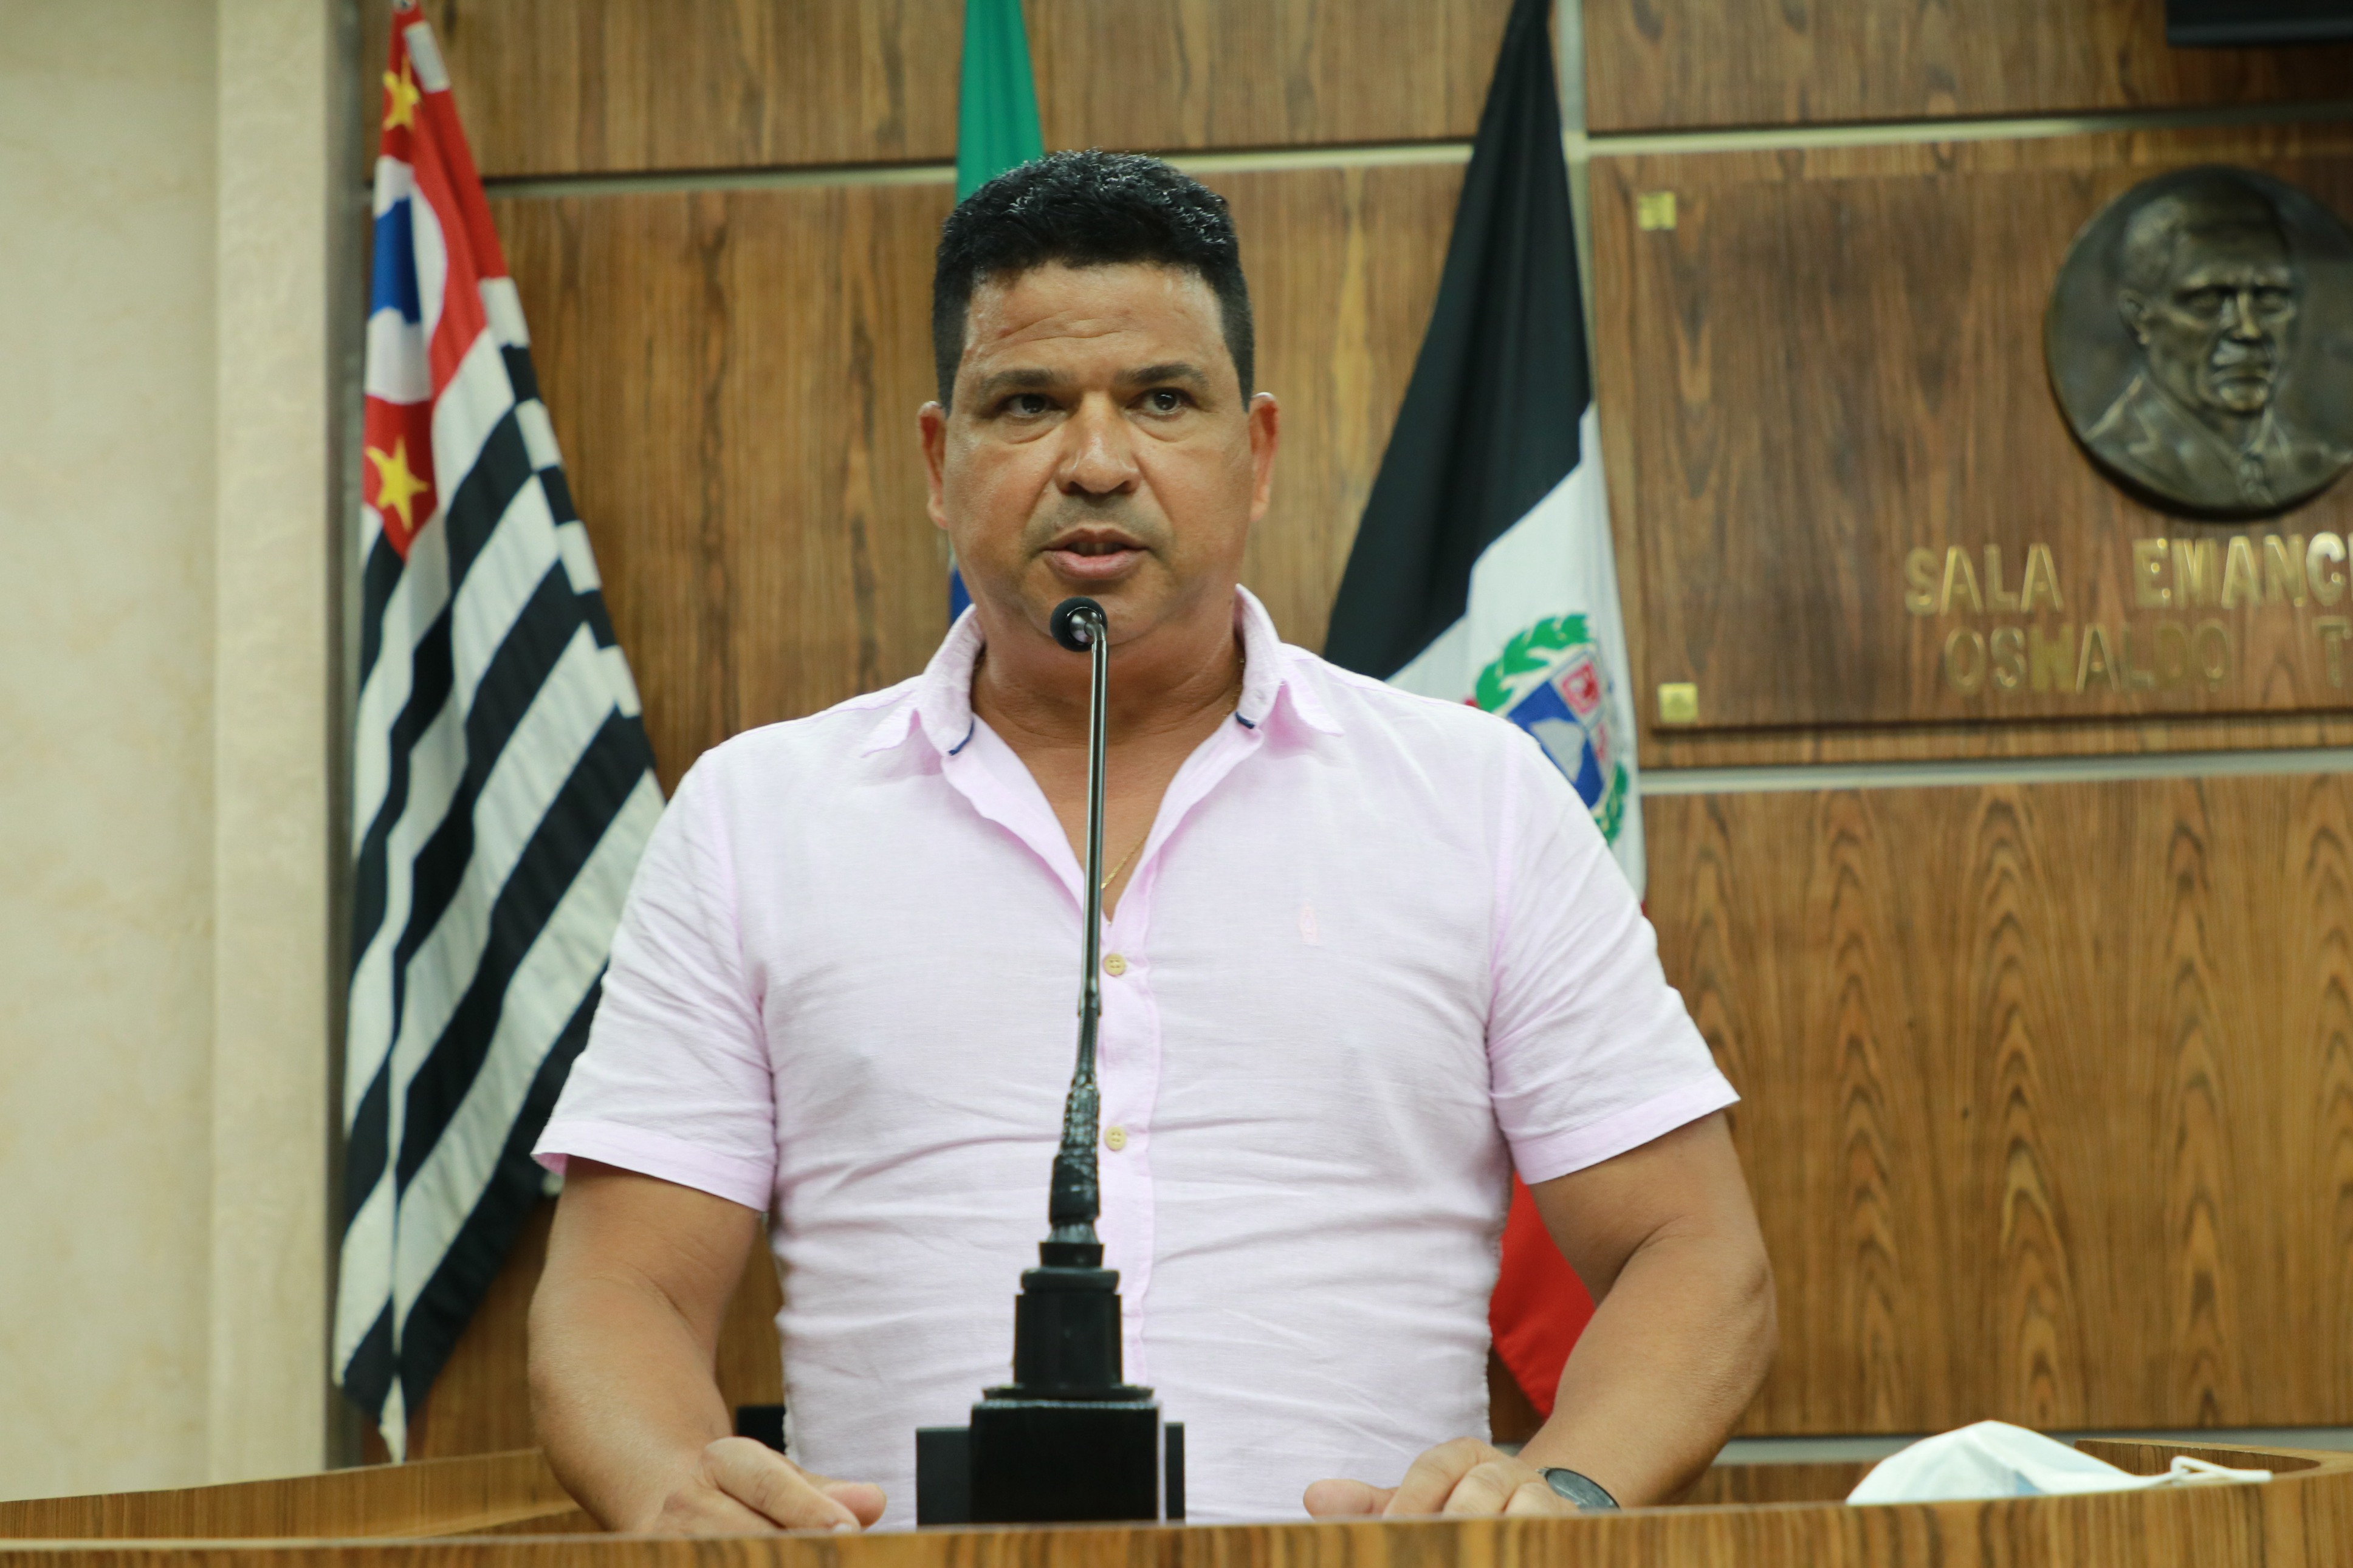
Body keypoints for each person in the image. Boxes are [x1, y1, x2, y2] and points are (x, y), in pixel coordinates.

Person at [526, 149, 1774, 1533]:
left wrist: (1562, 1490)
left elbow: (1690, 1249)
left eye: (1163, 400)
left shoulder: (1476, 797)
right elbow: (620, 1285)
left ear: (1257, 454)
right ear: (941, 464)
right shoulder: (757, 817)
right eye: (1028, 404)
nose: (1097, 460)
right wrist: (671, 1494)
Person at [2086, 174, 2348, 512]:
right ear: (2140, 318)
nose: (2249, 330)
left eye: (2270, 298)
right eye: (2208, 300)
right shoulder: (2122, 450)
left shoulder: (2317, 459)